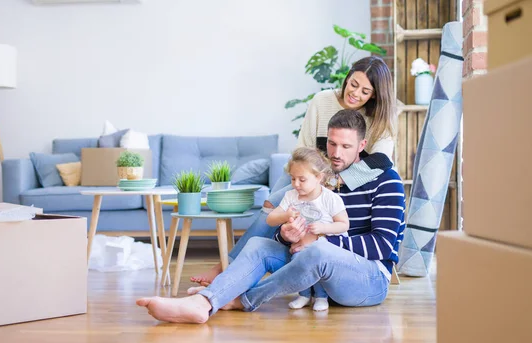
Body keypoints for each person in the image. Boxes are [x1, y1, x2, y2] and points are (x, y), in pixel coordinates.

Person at [136, 109, 406, 324]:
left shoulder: (385, 180)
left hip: (368, 279)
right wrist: (287, 235)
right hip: (316, 269)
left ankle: (239, 300)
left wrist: (319, 240)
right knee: (259, 245)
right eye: (332, 144)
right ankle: (205, 302)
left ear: (362, 145)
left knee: (319, 251)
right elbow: (296, 229)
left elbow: (382, 245)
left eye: (346, 146)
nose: (336, 153)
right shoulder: (320, 177)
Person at [190, 56, 397, 285]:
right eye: (353, 84)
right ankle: (231, 267)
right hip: (311, 172)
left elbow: (381, 161)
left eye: (365, 91)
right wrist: (315, 178)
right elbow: (304, 147)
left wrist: (333, 181)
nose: (355, 93)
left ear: (375, 95)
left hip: (349, 182)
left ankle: (229, 269)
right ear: (347, 79)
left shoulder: (380, 116)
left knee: (277, 205)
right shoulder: (322, 101)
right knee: (271, 205)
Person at [266, 147, 349, 312]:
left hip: (323, 248)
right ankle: (304, 295)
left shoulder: (330, 198)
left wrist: (323, 228)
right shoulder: (291, 197)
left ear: (318, 177)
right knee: (300, 263)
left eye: (302, 180)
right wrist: (285, 215)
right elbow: (270, 219)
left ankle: (321, 296)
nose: (296, 184)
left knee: (316, 263)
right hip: (299, 247)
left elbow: (344, 224)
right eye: (292, 179)